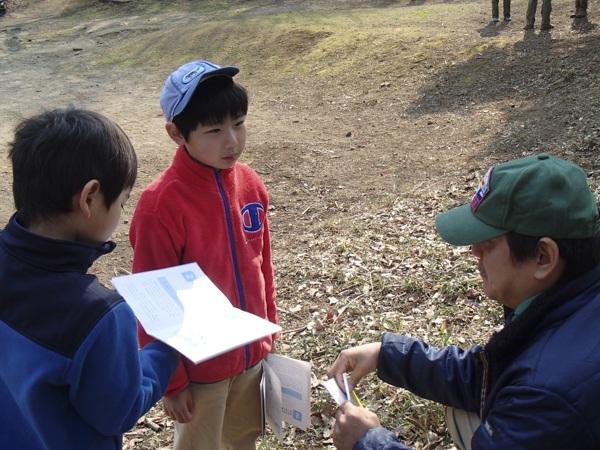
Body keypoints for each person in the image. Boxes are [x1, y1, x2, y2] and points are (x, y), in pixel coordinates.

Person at [328, 153, 600, 450]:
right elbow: (490, 376)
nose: (474, 251)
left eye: (489, 243)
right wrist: (388, 354)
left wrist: (368, 442)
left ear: (544, 257)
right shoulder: (575, 292)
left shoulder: (543, 395)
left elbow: (526, 388)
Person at [0, 107, 179, 449]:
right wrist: (168, 350)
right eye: (122, 203)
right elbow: (116, 412)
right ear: (90, 198)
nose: (122, 213)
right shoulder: (99, 317)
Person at [129, 60, 278, 450]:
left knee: (244, 439)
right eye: (214, 130)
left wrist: (268, 333)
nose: (232, 141)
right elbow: (153, 301)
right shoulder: (161, 205)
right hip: (200, 371)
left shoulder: (250, 184)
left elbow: (263, 265)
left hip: (250, 356)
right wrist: (173, 382)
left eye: (239, 123)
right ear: (176, 133)